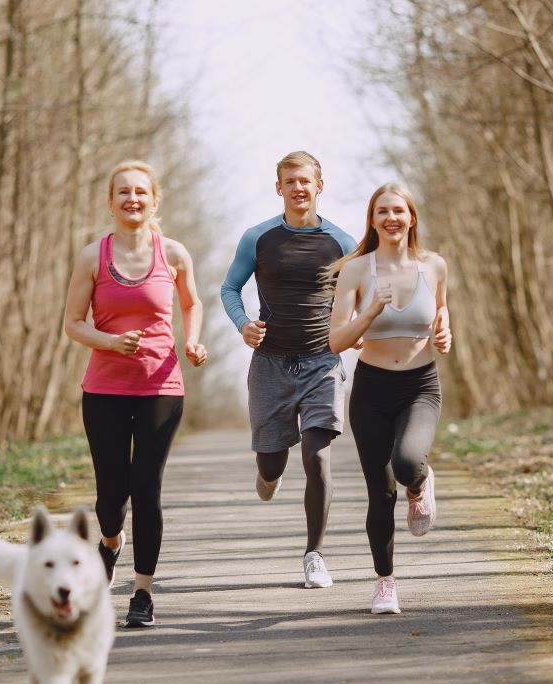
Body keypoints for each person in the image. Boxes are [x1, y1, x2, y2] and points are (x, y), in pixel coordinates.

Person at [62, 160, 207, 629]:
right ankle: (109, 542)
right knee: (111, 495)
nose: (132, 199)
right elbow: (72, 324)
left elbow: (192, 303)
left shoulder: (175, 254)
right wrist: (109, 342)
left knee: (147, 490)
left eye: (141, 192)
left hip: (161, 386)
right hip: (103, 387)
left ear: (155, 200)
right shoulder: (92, 257)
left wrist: (192, 340)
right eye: (122, 192)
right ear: (110, 201)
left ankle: (142, 593)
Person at [221, 151, 356, 589]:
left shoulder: (342, 242)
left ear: (320, 185)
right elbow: (229, 288)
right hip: (271, 365)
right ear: (278, 188)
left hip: (322, 364)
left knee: (316, 457)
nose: (299, 188)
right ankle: (268, 474)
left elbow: (362, 295)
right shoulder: (258, 238)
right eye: (290, 181)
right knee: (272, 462)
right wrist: (243, 324)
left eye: (306, 181)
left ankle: (314, 554)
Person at [328, 183, 452, 614]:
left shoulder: (433, 265)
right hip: (371, 391)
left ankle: (420, 481)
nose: (391, 218)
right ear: (373, 219)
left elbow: (439, 308)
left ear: (411, 217)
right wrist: (369, 313)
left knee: (405, 463)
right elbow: (335, 340)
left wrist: (444, 328)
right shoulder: (357, 271)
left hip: (420, 386)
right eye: (382, 211)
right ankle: (385, 583)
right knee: (380, 493)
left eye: (399, 210)